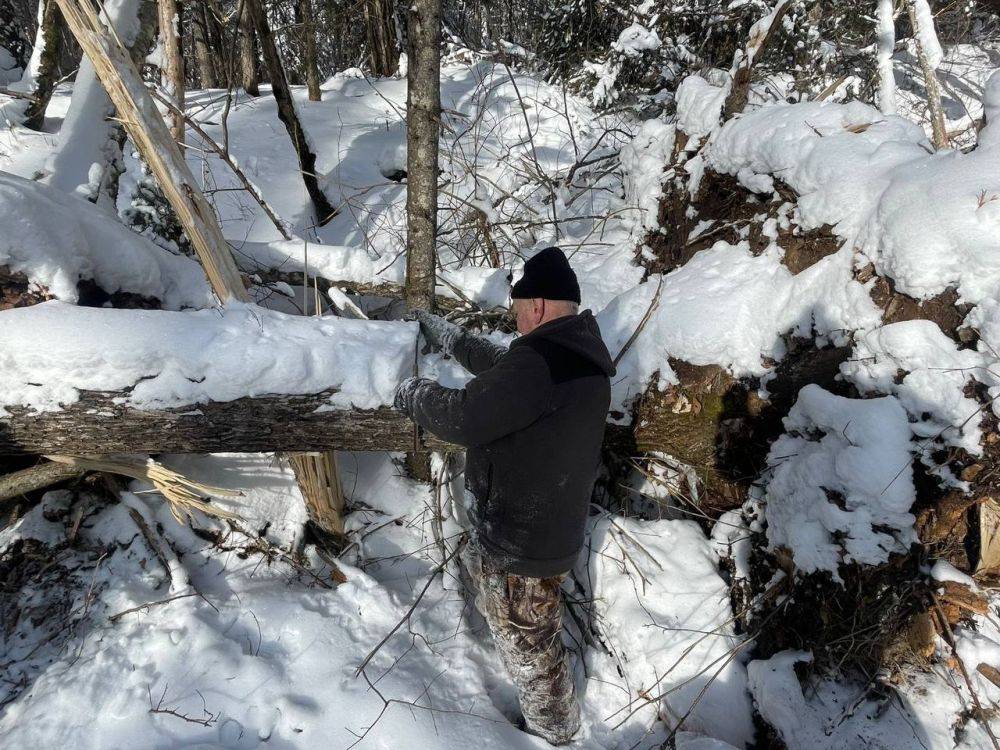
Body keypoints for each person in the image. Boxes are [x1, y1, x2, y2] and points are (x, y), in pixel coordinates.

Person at [393, 247, 615, 745]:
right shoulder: (578, 355)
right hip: (550, 529)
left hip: (521, 545)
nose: (514, 320)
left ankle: (554, 735)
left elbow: (466, 416)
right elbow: (505, 368)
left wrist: (408, 391)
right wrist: (451, 338)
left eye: (517, 309)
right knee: (532, 637)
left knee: (531, 653)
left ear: (536, 306)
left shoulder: (540, 364)